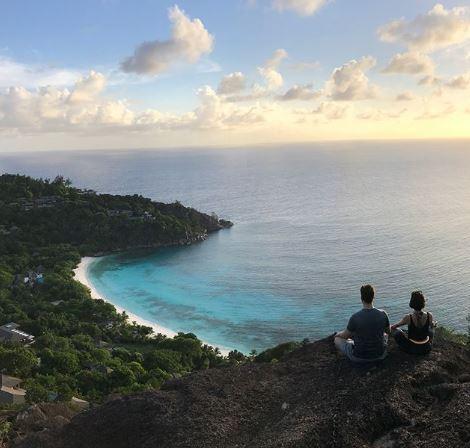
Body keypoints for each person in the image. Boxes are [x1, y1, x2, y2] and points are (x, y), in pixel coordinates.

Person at [334, 284, 391, 363]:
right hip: (380, 355)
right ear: (373, 297)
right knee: (384, 335)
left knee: (337, 340)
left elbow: (345, 336)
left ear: (361, 298)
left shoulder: (355, 317)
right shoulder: (383, 314)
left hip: (359, 357)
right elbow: (388, 331)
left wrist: (338, 334)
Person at [391, 290, 436, 355]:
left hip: (412, 348)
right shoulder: (429, 315)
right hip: (426, 348)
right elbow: (432, 326)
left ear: (412, 303)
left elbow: (394, 327)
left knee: (397, 332)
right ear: (423, 303)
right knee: (431, 329)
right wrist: (433, 324)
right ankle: (430, 343)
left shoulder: (408, 317)